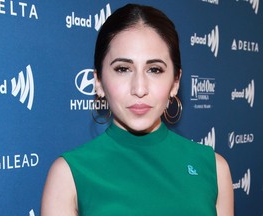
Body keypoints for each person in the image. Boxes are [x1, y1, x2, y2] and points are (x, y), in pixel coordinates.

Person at [41, 4, 234, 216]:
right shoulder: (69, 175)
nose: (139, 89)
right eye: (123, 69)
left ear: (175, 82)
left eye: (154, 69)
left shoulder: (214, 168)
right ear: (98, 82)